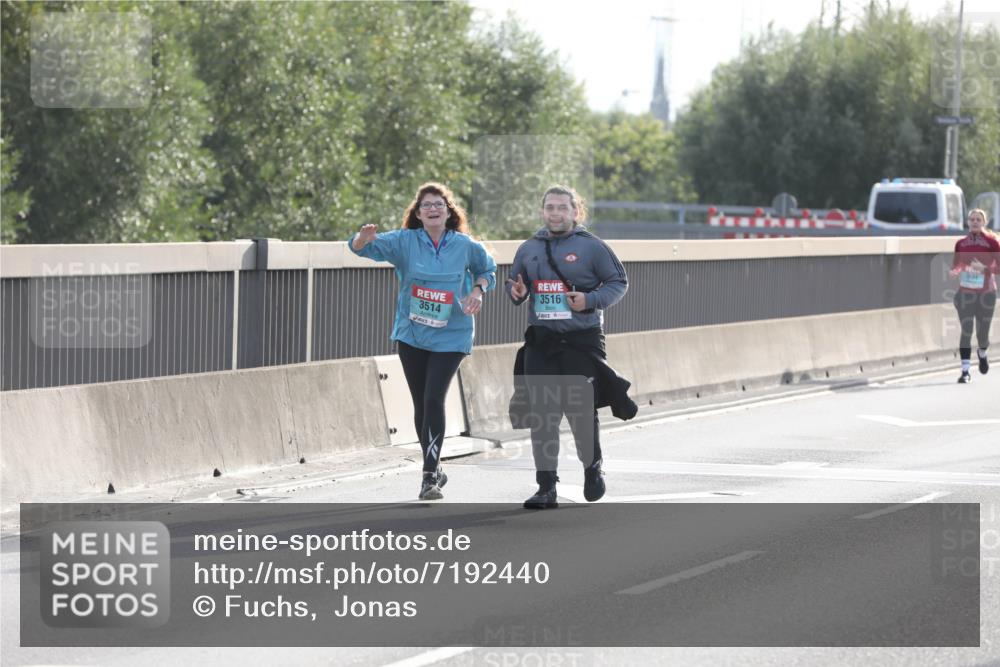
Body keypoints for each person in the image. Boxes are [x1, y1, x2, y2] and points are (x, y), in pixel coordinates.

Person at [350, 182, 496, 499]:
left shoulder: (464, 245)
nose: (432, 209)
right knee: (421, 403)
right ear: (417, 214)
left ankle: (428, 476)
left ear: (448, 211)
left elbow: (487, 270)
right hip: (412, 333)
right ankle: (435, 467)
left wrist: (477, 291)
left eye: (438, 204)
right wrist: (362, 238)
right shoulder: (405, 241)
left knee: (433, 399)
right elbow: (362, 248)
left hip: (452, 334)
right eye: (426, 205)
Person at [506, 185, 636, 509]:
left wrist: (589, 300)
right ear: (542, 211)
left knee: (580, 411)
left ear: (575, 212)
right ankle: (546, 487)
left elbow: (619, 283)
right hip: (542, 340)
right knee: (543, 414)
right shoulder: (528, 248)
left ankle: (592, 468)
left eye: (562, 208)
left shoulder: (593, 247)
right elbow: (516, 287)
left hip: (581, 339)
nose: (555, 213)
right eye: (550, 207)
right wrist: (517, 293)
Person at [950, 208, 999, 383]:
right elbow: (956, 264)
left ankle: (982, 353)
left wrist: (984, 269)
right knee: (966, 330)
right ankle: (965, 372)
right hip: (966, 292)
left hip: (986, 293)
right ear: (968, 222)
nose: (975, 222)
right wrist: (955, 271)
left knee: (982, 334)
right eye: (972, 219)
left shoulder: (992, 243)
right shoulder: (961, 244)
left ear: (984, 222)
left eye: (978, 219)